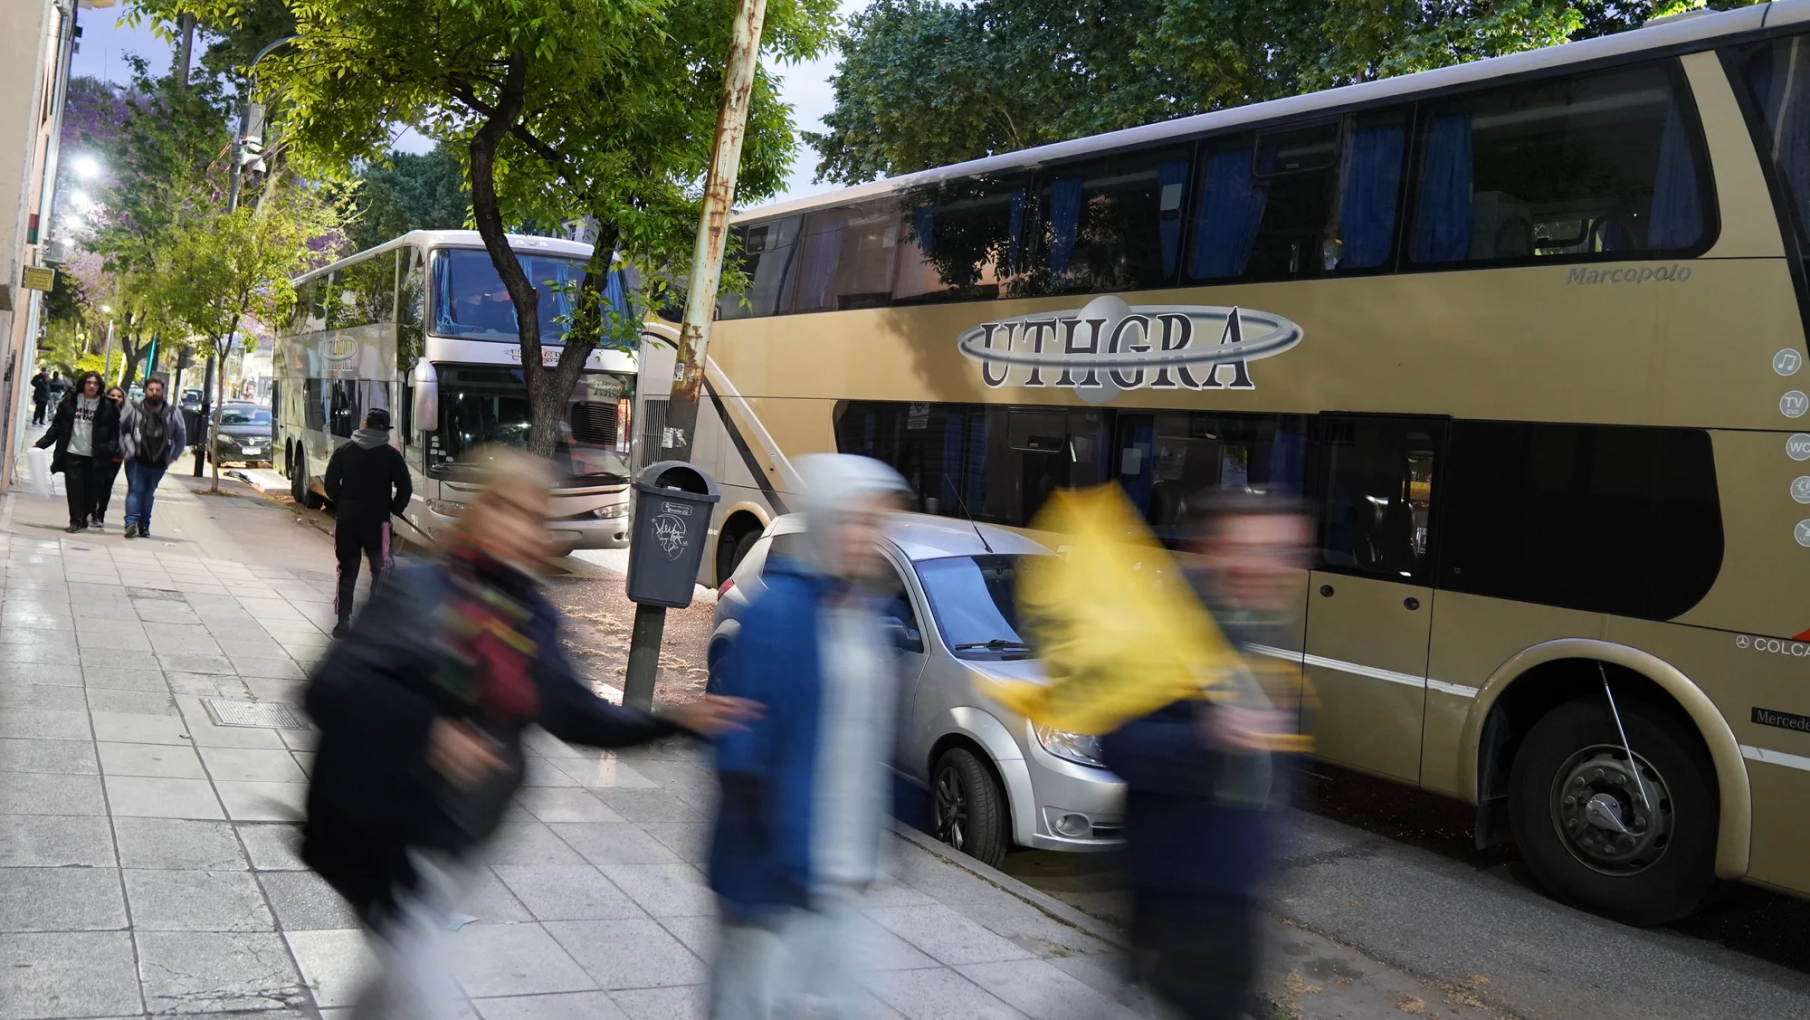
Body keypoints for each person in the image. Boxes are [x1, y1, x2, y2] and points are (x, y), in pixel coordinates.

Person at [301, 445, 757, 1020]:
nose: (518, 528)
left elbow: (575, 715)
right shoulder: (419, 590)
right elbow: (328, 688)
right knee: (423, 985)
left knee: (402, 974)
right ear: (479, 511)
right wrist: (430, 732)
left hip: (453, 835)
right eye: (506, 509)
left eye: (531, 515)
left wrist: (676, 719)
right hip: (383, 832)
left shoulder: (530, 616)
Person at [707, 453, 909, 1020]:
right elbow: (738, 752)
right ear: (822, 520)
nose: (868, 537)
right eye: (855, 520)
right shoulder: (777, 614)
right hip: (772, 878)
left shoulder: (865, 617)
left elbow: (864, 743)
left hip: (838, 876)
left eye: (878, 524)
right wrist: (787, 847)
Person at [1097, 489, 1312, 1020]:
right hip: (1180, 903)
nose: (1275, 567)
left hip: (1230, 895)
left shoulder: (1248, 625)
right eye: (1257, 550)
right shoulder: (1163, 630)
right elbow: (1118, 742)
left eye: (1286, 553)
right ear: (1214, 550)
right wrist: (1207, 736)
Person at [323, 407, 412, 638]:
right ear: (385, 429)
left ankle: (342, 622)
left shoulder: (344, 451)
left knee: (346, 570)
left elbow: (330, 484)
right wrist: (394, 507)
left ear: (364, 424)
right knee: (381, 570)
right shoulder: (392, 456)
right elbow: (405, 488)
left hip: (347, 522)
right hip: (378, 522)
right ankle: (371, 622)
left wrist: (344, 502)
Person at [35, 371, 120, 533]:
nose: (91, 386)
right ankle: (76, 521)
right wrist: (41, 444)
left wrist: (110, 450)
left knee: (92, 491)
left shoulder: (108, 406)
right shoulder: (70, 401)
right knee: (74, 490)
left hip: (96, 455)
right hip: (73, 452)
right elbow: (57, 426)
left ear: (99, 386)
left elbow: (115, 432)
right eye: (88, 382)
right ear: (83, 384)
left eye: (95, 383)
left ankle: (83, 517)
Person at [118, 378, 189, 539]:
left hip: (160, 460)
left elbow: (181, 435)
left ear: (162, 391)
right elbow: (120, 427)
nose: (154, 393)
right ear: (145, 390)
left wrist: (173, 456)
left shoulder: (172, 412)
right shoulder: (133, 408)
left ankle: (144, 525)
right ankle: (131, 523)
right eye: (151, 389)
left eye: (157, 390)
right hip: (135, 457)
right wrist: (125, 449)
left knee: (148, 492)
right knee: (136, 490)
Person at [90, 386, 128, 529]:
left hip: (116, 456)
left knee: (107, 485)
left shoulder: (127, 414)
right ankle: (92, 511)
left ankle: (100, 515)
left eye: (119, 396)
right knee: (96, 484)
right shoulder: (102, 410)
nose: (116, 398)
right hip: (101, 453)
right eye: (113, 395)